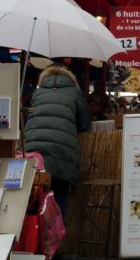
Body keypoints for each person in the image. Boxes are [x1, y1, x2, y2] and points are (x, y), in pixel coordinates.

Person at [24, 63, 91, 217]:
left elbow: (30, 118)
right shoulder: (74, 92)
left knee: (35, 198)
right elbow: (85, 123)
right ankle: (55, 238)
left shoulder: (38, 93)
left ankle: (36, 237)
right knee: (59, 197)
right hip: (62, 153)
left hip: (34, 153)